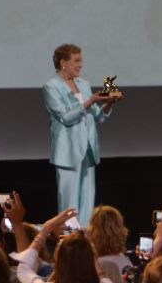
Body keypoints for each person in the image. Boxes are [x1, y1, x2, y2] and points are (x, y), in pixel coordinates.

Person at [43, 44, 120, 216]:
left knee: (87, 202)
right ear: (63, 63)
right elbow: (65, 117)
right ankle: (68, 239)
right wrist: (90, 101)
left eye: (81, 60)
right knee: (69, 204)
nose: (81, 65)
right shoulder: (51, 87)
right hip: (68, 152)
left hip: (88, 150)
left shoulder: (83, 84)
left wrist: (109, 103)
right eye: (76, 60)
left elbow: (98, 117)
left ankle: (85, 238)